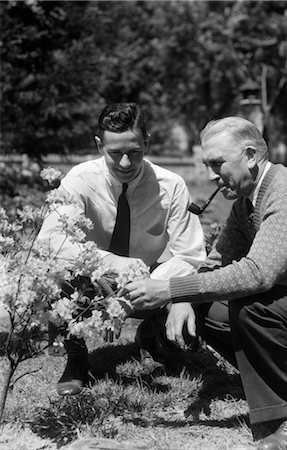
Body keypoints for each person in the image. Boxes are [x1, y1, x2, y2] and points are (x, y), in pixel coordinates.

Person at [125, 117, 287, 450]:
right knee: (206, 304)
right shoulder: (246, 204)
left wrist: (170, 289)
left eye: (217, 163)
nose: (209, 174)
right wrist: (183, 299)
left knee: (252, 302)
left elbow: (259, 273)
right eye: (207, 165)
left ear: (250, 155)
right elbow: (214, 264)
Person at [37, 102, 206, 396]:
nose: (126, 163)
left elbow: (190, 255)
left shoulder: (173, 185)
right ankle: (76, 357)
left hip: (146, 281)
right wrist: (110, 262)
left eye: (135, 152)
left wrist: (148, 285)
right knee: (56, 273)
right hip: (90, 280)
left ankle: (153, 337)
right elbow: (51, 242)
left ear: (147, 143)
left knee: (194, 298)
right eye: (115, 153)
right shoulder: (79, 180)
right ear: (99, 145)